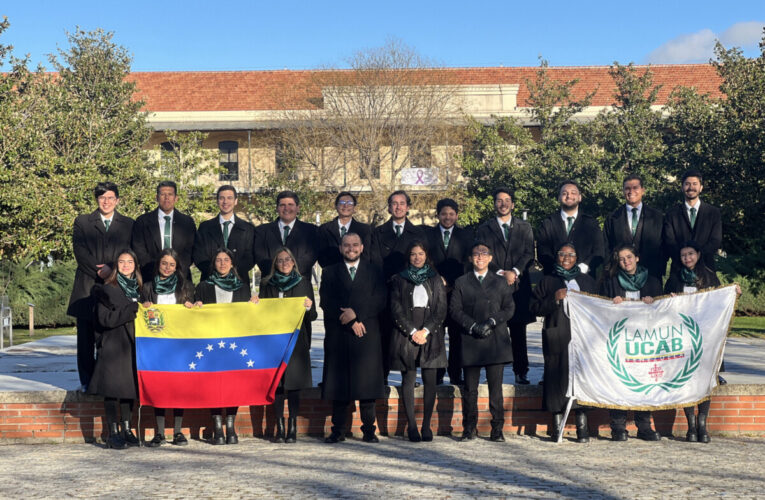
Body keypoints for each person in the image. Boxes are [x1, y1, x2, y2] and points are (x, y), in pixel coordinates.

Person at [664, 241, 741, 443]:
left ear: (698, 254)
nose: (687, 258)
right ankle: (690, 425)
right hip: (682, 337)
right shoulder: (674, 280)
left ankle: (702, 425)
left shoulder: (709, 276)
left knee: (704, 379)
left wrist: (733, 294)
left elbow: (719, 302)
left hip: (705, 337)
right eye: (683, 255)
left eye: (690, 254)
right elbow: (663, 306)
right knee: (687, 379)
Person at [320, 233, 387, 444]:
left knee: (367, 385)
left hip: (366, 332)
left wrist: (357, 316)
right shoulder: (329, 272)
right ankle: (338, 431)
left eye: (355, 245)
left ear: (362, 247)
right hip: (340, 334)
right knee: (340, 386)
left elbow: (380, 299)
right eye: (347, 245)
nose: (351, 248)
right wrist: (349, 320)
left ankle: (369, 430)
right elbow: (326, 302)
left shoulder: (374, 270)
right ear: (340, 248)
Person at [68, 182, 134, 392]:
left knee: (109, 336)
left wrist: (112, 268)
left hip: (115, 286)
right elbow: (80, 251)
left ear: (117, 200)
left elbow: (128, 253)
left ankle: (106, 380)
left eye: (110, 198)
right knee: (86, 336)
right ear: (97, 200)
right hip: (87, 285)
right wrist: (99, 271)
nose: (106, 202)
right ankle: (86, 380)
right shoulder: (83, 222)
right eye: (102, 198)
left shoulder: (128, 224)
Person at [529, 243, 597, 443]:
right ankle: (557, 426)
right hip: (557, 334)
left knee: (581, 378)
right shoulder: (548, 281)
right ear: (557, 257)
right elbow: (533, 307)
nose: (566, 258)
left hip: (583, 337)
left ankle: (582, 427)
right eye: (562, 254)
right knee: (556, 377)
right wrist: (554, 299)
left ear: (577, 258)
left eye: (571, 254)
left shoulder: (587, 281)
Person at [192, 248, 259, 445]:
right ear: (213, 263)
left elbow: (249, 316)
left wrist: (254, 304)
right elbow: (197, 314)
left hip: (234, 343)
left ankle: (230, 424)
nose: (222, 263)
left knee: (232, 383)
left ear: (232, 263)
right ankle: (217, 424)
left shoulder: (242, 287)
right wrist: (196, 308)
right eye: (219, 260)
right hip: (211, 342)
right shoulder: (203, 286)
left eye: (226, 260)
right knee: (213, 383)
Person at [450, 242, 515, 442]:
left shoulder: (501, 282)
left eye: (484, 254)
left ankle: (497, 429)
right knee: (470, 389)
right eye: (476, 254)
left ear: (490, 258)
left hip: (495, 340)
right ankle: (469, 427)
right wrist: (472, 326)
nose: (480, 257)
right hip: (471, 340)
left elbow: (509, 308)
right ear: (470, 258)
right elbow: (454, 309)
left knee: (495, 389)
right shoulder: (461, 282)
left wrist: (492, 321)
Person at [600, 245, 663, 442]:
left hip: (643, 341)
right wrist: (611, 302)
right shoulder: (610, 281)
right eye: (621, 259)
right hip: (619, 340)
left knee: (643, 381)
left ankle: (644, 426)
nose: (626, 261)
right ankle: (618, 427)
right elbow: (599, 306)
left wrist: (654, 302)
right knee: (618, 380)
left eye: (629, 257)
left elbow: (663, 310)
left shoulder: (652, 281)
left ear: (637, 258)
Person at [475, 187, 535, 385]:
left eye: (507, 200)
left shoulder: (524, 227)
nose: (503, 204)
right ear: (494, 204)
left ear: (513, 204)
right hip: (493, 285)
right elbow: (482, 254)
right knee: (493, 330)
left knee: (518, 331)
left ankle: (521, 371)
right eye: (499, 200)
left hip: (518, 285)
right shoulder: (485, 228)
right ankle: (493, 373)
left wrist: (514, 272)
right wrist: (501, 272)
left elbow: (528, 253)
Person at [389, 241, 447, 442]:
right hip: (408, 332)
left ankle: (426, 426)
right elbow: (395, 308)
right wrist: (413, 331)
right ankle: (412, 426)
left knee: (430, 380)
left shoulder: (435, 278)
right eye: (413, 254)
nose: (417, 257)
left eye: (421, 253)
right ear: (409, 256)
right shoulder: (399, 279)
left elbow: (441, 309)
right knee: (409, 379)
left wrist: (426, 331)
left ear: (426, 255)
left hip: (431, 332)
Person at [258, 248, 317, 443]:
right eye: (280, 260)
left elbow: (313, 315)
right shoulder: (267, 284)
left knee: (293, 385)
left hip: (296, 340)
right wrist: (255, 304)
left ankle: (292, 426)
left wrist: (308, 307)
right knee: (277, 384)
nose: (284, 263)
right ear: (275, 263)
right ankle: (279, 426)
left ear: (294, 262)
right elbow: (261, 313)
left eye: (288, 259)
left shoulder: (304, 283)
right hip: (274, 340)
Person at [139, 248, 195, 447]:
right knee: (159, 387)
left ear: (177, 267)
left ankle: (178, 432)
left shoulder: (186, 287)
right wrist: (143, 306)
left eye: (172, 264)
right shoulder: (147, 287)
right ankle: (159, 432)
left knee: (178, 387)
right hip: (156, 345)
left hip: (179, 345)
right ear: (158, 265)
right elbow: (140, 314)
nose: (167, 268)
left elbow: (195, 316)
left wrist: (191, 308)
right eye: (164, 264)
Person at [88, 249, 142, 449]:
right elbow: (105, 319)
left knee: (129, 389)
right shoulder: (106, 289)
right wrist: (131, 310)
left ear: (135, 265)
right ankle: (113, 432)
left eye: (130, 261)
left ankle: (127, 429)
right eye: (122, 261)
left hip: (132, 345)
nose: (126, 265)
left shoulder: (139, 288)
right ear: (116, 265)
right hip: (112, 345)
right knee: (111, 390)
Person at [372, 190, 425, 383]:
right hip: (386, 290)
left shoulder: (419, 233)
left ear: (408, 207)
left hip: (411, 291)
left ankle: (410, 378)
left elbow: (422, 261)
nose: (398, 207)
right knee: (385, 334)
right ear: (389, 207)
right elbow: (375, 262)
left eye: (402, 203)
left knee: (408, 333)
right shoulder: (378, 232)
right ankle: (382, 376)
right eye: (394, 203)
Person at [422, 198, 472, 385]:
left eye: (451, 214)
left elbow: (468, 262)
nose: (448, 217)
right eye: (444, 214)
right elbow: (424, 260)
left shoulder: (466, 235)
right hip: (435, 291)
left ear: (457, 215)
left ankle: (455, 373)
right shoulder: (428, 235)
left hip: (458, 291)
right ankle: (437, 373)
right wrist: (438, 279)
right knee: (436, 334)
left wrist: (454, 282)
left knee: (457, 335)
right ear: (438, 215)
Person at [193, 185, 257, 289]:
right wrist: (218, 272)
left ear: (236, 201)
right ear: (217, 201)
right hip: (210, 282)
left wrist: (231, 272)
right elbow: (199, 255)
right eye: (222, 198)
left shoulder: (248, 228)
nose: (225, 202)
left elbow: (250, 257)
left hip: (239, 283)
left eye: (229, 198)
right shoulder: (205, 227)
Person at [536, 181, 604, 278]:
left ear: (580, 197)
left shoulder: (591, 223)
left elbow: (599, 251)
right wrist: (559, 268)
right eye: (564, 193)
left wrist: (584, 267)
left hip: (585, 279)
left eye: (573, 193)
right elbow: (543, 252)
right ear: (559, 198)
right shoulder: (548, 223)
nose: (569, 196)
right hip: (554, 279)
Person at [603, 174, 666, 279]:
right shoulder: (612, 218)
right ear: (623, 191)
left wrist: (659, 266)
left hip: (651, 274)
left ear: (643, 190)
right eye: (627, 188)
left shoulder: (657, 217)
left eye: (635, 188)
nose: (631, 191)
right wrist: (611, 268)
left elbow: (664, 245)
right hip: (620, 275)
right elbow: (606, 246)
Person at [132, 180, 196, 281]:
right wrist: (158, 269)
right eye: (163, 194)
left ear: (176, 198)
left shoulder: (187, 222)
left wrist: (175, 268)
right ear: (156, 197)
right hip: (150, 276)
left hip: (180, 277)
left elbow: (190, 251)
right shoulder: (143, 222)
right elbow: (139, 250)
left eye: (170, 194)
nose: (166, 198)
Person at [663, 169, 722, 272]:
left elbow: (715, 240)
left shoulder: (713, 212)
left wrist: (697, 257)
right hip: (679, 270)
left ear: (701, 188)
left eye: (695, 184)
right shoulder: (671, 214)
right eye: (687, 184)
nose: (691, 187)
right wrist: (685, 258)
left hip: (706, 269)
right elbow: (669, 241)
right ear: (682, 187)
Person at [255, 190, 318, 280]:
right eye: (282, 205)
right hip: (271, 285)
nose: (286, 208)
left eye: (290, 205)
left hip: (300, 285)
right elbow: (260, 258)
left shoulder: (311, 231)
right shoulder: (261, 231)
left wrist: (289, 272)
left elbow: (310, 258)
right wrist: (280, 272)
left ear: (298, 208)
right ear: (277, 208)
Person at [317, 191, 372, 268]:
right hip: (332, 274)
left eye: (350, 203)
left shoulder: (365, 230)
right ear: (336, 206)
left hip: (358, 275)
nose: (346, 206)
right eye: (342, 202)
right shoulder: (324, 229)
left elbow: (367, 255)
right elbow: (321, 255)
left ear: (354, 208)